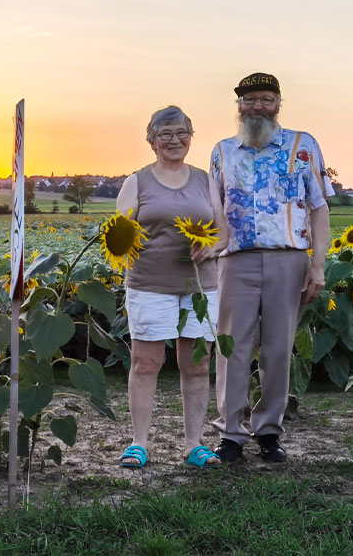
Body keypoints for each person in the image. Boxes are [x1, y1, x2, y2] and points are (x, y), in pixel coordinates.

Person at [211, 73, 333, 463]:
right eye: (249, 100)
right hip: (236, 258)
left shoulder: (303, 146)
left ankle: (268, 430)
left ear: (278, 104)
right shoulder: (222, 152)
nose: (257, 107)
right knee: (232, 347)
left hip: (288, 258)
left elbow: (319, 208)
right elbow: (212, 210)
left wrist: (317, 266)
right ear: (239, 108)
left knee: (278, 349)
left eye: (265, 99)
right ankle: (231, 432)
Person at [116, 105, 227, 468]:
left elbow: (223, 230)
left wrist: (211, 246)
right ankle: (139, 443)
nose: (174, 140)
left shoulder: (204, 181)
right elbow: (120, 232)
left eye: (182, 133)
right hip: (149, 284)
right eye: (165, 134)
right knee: (146, 362)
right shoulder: (137, 182)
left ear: (191, 138)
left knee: (196, 364)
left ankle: (194, 444)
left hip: (199, 285)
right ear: (151, 141)